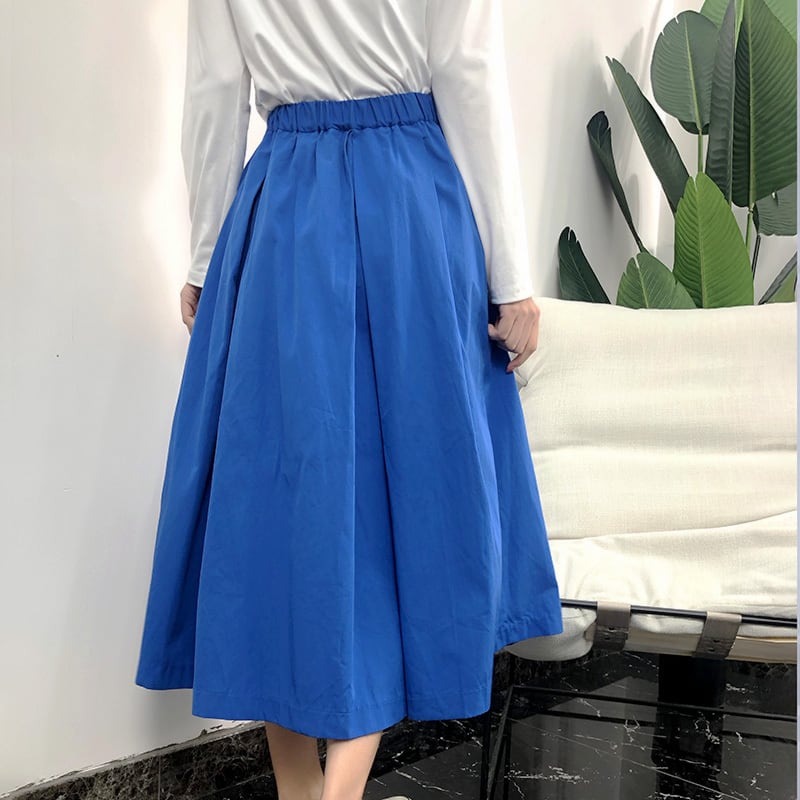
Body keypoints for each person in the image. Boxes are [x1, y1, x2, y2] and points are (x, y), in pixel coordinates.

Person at [135, 2, 563, 799]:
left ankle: (305, 792)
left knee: (282, 517)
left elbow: (217, 87)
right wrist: (510, 276)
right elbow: (467, 72)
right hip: (410, 201)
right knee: (409, 510)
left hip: (285, 206)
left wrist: (206, 256)